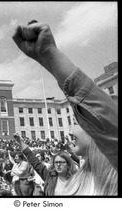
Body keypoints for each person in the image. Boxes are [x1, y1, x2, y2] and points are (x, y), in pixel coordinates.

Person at [12, 20, 117, 195]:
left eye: (78, 119)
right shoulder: (77, 178)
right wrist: (48, 54)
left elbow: (107, 117)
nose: (69, 130)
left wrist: (50, 54)